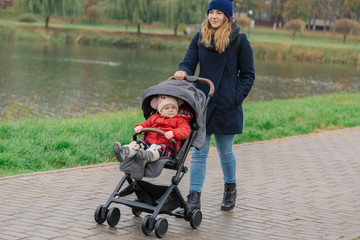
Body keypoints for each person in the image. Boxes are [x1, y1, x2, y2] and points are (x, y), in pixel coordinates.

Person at [174, 0, 255, 212]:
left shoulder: (239, 40)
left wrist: (235, 98)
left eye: (219, 12)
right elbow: (189, 62)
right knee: (199, 151)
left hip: (227, 106)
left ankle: (230, 188)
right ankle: (193, 200)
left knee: (225, 152)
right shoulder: (200, 37)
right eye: (211, 12)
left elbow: (248, 75)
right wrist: (183, 71)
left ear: (228, 15)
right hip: (203, 104)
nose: (214, 16)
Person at [113, 95, 192, 167]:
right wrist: (140, 127)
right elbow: (146, 123)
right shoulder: (154, 117)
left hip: (168, 147)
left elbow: (185, 131)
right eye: (167, 108)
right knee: (139, 144)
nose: (171, 110)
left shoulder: (180, 120)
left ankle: (147, 156)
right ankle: (125, 151)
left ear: (177, 108)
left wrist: (174, 133)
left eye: (173, 107)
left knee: (158, 148)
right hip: (149, 143)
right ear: (160, 110)